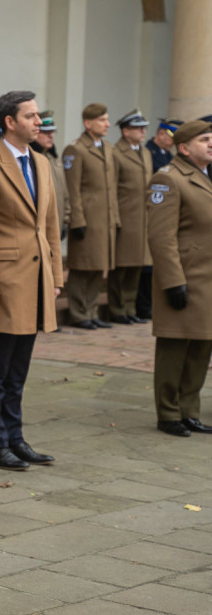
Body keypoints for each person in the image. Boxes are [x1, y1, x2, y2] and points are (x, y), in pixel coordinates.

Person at [0, 90, 63, 470]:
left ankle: (15, 438)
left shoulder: (41, 163)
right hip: (5, 285)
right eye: (31, 116)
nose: (39, 122)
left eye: (38, 116)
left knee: (18, 370)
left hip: (35, 281)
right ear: (10, 122)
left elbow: (50, 225)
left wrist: (55, 275)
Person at [146, 120, 212, 437]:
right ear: (184, 148)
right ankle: (169, 413)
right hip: (184, 276)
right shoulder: (168, 179)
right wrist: (173, 281)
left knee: (201, 345)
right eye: (204, 139)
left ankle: (189, 411)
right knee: (175, 347)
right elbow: (161, 237)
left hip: (206, 279)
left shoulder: (204, 176)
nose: (211, 143)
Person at [62, 103, 119, 330]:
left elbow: (112, 188)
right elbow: (72, 189)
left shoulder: (108, 148)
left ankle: (92, 311)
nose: (107, 124)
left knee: (98, 267)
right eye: (102, 120)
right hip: (87, 219)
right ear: (88, 123)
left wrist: (115, 218)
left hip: (105, 220)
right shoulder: (76, 150)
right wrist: (77, 220)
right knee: (81, 268)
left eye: (107, 119)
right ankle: (78, 313)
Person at [109, 109, 153, 325]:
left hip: (143, 218)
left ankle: (129, 308)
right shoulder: (116, 153)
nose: (143, 131)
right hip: (126, 217)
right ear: (126, 132)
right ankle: (117, 310)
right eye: (138, 128)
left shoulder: (145, 153)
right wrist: (115, 218)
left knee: (136, 266)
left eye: (144, 128)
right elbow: (112, 188)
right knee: (121, 267)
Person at [138, 117, 183, 321]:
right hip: (150, 211)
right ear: (161, 133)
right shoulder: (149, 152)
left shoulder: (168, 155)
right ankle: (142, 305)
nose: (173, 142)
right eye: (171, 137)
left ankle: (146, 305)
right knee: (145, 265)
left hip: (162, 211)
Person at [30, 110, 70, 241]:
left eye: (52, 132)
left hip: (56, 226)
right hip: (39, 229)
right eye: (46, 132)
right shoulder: (31, 159)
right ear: (36, 132)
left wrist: (65, 220)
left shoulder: (55, 159)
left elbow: (64, 192)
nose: (51, 136)